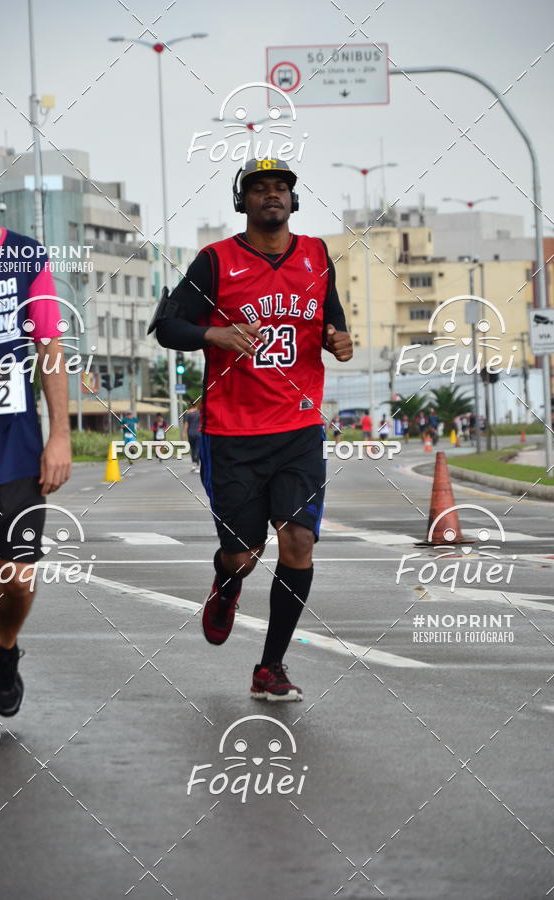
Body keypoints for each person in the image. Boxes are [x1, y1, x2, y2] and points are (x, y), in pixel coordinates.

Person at [156, 157, 352, 701]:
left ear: (294, 200)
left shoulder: (316, 255)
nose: (272, 195)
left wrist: (339, 339)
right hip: (232, 433)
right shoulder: (215, 261)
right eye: (259, 188)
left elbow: (329, 319)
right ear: (242, 201)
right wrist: (214, 335)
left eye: (281, 188)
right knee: (244, 555)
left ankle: (271, 666)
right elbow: (167, 327)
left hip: (297, 429)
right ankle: (226, 582)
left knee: (299, 542)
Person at [0, 137, 71, 746]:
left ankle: (5, 647)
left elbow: (50, 350)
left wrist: (60, 436)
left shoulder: (25, 256)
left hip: (17, 446)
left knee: (17, 579)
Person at [183, 399, 201, 473]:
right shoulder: (199, 413)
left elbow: (186, 424)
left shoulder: (187, 413)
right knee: (197, 449)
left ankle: (193, 464)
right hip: (199, 433)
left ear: (190, 405)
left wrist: (184, 433)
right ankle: (197, 465)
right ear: (196, 404)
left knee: (192, 449)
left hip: (190, 433)